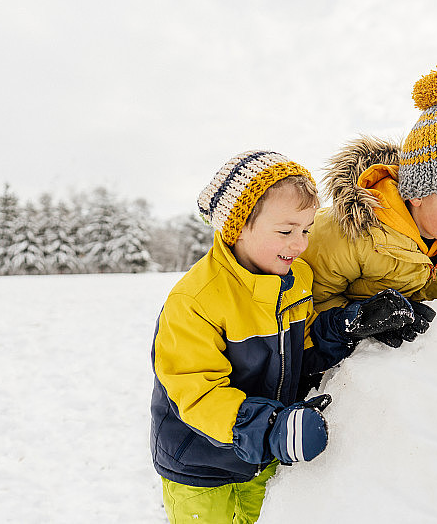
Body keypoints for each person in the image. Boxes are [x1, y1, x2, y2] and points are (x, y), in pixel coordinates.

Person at [150, 150, 415, 524]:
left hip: (265, 458)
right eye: (286, 231)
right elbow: (197, 394)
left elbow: (303, 348)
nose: (300, 243)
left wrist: (349, 324)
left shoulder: (297, 279)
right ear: (237, 226)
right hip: (202, 467)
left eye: (306, 230)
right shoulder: (195, 300)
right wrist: (273, 427)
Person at [302, 65, 437, 350]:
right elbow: (308, 304)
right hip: (346, 368)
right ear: (416, 194)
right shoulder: (346, 231)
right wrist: (357, 319)